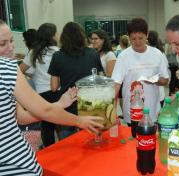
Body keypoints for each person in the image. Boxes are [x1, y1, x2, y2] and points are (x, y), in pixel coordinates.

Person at [0, 19, 103, 175]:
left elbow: (21, 117)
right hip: (17, 165)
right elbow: (44, 110)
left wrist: (60, 104)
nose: (11, 48)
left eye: (12, 41)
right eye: (3, 44)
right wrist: (79, 120)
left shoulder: (42, 54)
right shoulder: (6, 68)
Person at [48, 22, 104, 139]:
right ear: (82, 36)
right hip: (90, 106)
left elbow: (53, 87)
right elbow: (100, 79)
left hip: (68, 108)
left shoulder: (57, 56)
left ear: (63, 38)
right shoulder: (93, 53)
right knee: (91, 144)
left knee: (69, 148)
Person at [111, 18, 169, 124]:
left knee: (150, 139)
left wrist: (155, 80)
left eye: (140, 38)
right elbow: (116, 85)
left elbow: (165, 80)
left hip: (152, 112)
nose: (137, 42)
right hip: (132, 113)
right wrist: (112, 111)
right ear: (128, 37)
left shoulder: (157, 54)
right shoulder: (123, 57)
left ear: (147, 35)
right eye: (133, 39)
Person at [19, 23, 61, 147]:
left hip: (41, 94)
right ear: (53, 35)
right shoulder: (59, 52)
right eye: (56, 33)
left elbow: (19, 70)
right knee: (61, 124)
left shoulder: (34, 51)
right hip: (58, 91)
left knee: (47, 127)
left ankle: (50, 153)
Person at [147, 30, 169, 107]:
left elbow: (165, 77)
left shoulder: (159, 55)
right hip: (148, 95)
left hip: (158, 94)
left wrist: (152, 79)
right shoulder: (161, 54)